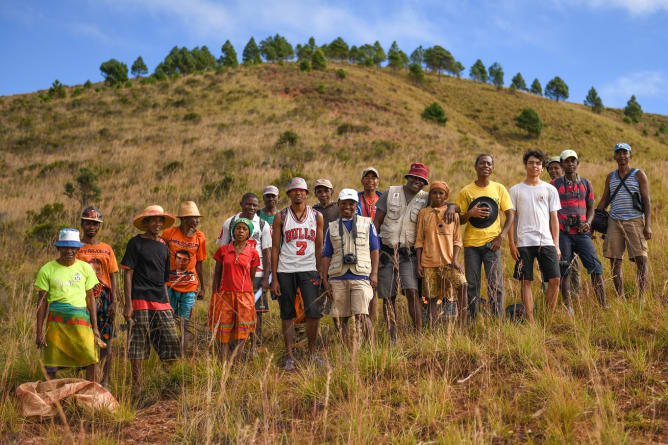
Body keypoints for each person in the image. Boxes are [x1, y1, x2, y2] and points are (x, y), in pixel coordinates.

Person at [122, 205, 181, 388]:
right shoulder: (136, 243)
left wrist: (168, 302)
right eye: (153, 220)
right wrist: (128, 304)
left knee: (171, 339)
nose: (157, 224)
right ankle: (137, 386)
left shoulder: (164, 245)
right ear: (146, 222)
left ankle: (168, 379)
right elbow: (128, 273)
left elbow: (164, 280)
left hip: (161, 300)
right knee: (139, 341)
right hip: (140, 299)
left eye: (160, 220)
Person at [271, 177, 324, 370]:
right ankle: (289, 354)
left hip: (309, 268)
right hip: (286, 269)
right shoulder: (281, 216)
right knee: (287, 313)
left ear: (307, 194)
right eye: (294, 191)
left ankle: (312, 352)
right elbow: (275, 248)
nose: (298, 193)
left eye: (302, 190)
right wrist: (274, 278)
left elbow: (319, 246)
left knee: (313, 312)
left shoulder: (316, 215)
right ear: (289, 194)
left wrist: (321, 272)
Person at [35, 228, 100, 381]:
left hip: (81, 322)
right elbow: (42, 301)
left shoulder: (85, 268)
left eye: (72, 247)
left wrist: (95, 328)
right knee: (51, 363)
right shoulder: (47, 269)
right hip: (56, 323)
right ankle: (53, 400)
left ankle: (92, 396)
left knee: (91, 359)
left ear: (78, 249)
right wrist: (39, 331)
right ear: (58, 248)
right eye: (65, 247)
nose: (69, 251)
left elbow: (90, 299)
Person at [374, 162, 430, 339]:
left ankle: (418, 334)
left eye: (421, 179)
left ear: (424, 182)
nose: (416, 181)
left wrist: (452, 207)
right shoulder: (390, 192)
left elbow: (444, 205)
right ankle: (393, 337)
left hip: (409, 254)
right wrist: (373, 250)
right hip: (386, 252)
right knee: (388, 296)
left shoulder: (426, 198)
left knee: (412, 292)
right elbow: (377, 222)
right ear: (408, 177)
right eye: (414, 177)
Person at [455, 154, 514, 318]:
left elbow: (510, 215)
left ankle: (498, 322)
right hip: (471, 245)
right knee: (472, 285)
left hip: (492, 244)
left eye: (489, 164)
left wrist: (501, 236)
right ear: (476, 167)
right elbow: (458, 220)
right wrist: (470, 213)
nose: (485, 166)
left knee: (495, 285)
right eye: (482, 163)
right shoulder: (466, 191)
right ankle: (473, 320)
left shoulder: (499, 189)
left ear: (492, 168)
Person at [321, 189, 380, 352]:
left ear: (356, 205)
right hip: (337, 277)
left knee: (362, 314)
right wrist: (325, 280)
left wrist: (374, 274)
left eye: (351, 203)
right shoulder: (331, 227)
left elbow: (375, 250)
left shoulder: (367, 223)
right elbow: (326, 254)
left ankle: (372, 352)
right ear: (338, 204)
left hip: (360, 276)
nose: (348, 206)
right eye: (344, 203)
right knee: (341, 318)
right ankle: (347, 351)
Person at [509, 150, 561, 323]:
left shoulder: (550, 189)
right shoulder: (515, 190)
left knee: (555, 279)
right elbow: (511, 219)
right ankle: (530, 319)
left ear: (542, 167)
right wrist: (512, 243)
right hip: (523, 241)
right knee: (526, 281)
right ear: (526, 165)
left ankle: (548, 317)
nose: (534, 166)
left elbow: (554, 219)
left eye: (538, 163)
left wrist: (556, 244)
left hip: (545, 240)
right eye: (531, 163)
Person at [552, 150, 607, 312]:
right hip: (563, 232)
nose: (570, 164)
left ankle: (603, 305)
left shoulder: (586, 183)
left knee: (595, 268)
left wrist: (588, 223)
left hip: (582, 232)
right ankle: (568, 306)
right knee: (565, 269)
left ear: (577, 163)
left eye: (573, 161)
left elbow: (591, 208)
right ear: (562, 164)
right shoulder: (555, 185)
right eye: (566, 161)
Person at [596, 142, 652, 298]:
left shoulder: (639, 174)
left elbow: (647, 201)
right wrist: (593, 220)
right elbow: (604, 200)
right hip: (614, 221)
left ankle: (642, 297)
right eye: (618, 153)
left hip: (635, 220)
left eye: (625, 153)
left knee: (641, 259)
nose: (621, 156)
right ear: (614, 156)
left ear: (630, 156)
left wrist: (647, 225)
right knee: (614, 260)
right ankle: (620, 296)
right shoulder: (611, 177)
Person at [217, 193, 272, 343]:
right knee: (233, 311)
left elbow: (267, 252)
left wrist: (266, 278)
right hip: (234, 275)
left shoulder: (262, 224)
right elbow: (222, 252)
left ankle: (254, 344)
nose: (251, 208)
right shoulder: (231, 222)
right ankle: (235, 343)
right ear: (241, 204)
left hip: (257, 273)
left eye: (255, 205)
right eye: (248, 204)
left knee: (256, 311)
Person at [76, 206, 119, 386]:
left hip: (105, 297)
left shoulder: (106, 249)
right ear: (82, 224)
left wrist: (115, 301)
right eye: (88, 223)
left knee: (106, 340)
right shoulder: (77, 249)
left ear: (99, 226)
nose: (92, 227)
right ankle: (86, 381)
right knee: (85, 340)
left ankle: (105, 381)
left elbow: (113, 274)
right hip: (84, 298)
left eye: (95, 223)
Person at [415, 181, 467, 327]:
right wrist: (419, 263)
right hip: (429, 263)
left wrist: (455, 260)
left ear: (446, 195)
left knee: (462, 285)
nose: (437, 196)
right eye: (434, 193)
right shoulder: (423, 214)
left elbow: (457, 240)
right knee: (431, 298)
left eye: (441, 193)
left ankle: (462, 325)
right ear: (430, 195)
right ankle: (434, 328)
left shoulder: (452, 214)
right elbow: (419, 241)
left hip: (449, 263)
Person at [209, 218, 260, 361]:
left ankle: (237, 363)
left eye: (244, 229)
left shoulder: (253, 253)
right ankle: (223, 363)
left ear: (248, 233)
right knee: (223, 331)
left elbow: (251, 276)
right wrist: (215, 294)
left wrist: (247, 293)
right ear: (233, 231)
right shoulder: (223, 250)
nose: (241, 231)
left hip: (244, 296)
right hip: (224, 295)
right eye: (238, 228)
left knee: (242, 331)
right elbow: (217, 274)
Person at [162, 201, 207, 354]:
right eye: (193, 218)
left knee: (185, 322)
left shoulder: (200, 237)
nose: (196, 221)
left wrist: (203, 287)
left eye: (197, 218)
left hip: (190, 287)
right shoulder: (169, 234)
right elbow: (161, 257)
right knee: (169, 321)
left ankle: (181, 354)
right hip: (170, 284)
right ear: (184, 219)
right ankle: (171, 352)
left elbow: (200, 263)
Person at [547, 155, 581, 295]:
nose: (553, 171)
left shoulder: (573, 184)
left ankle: (575, 293)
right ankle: (555, 294)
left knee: (572, 263)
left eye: (556, 168)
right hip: (554, 232)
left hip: (572, 231)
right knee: (554, 265)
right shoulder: (548, 186)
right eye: (550, 169)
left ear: (562, 168)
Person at [357, 167, 382, 324]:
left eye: (374, 177)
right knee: (361, 284)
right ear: (362, 180)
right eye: (367, 177)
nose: (370, 180)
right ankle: (361, 320)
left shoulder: (383, 198)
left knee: (374, 285)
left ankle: (371, 322)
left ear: (378, 182)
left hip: (380, 245)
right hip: (360, 246)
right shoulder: (356, 198)